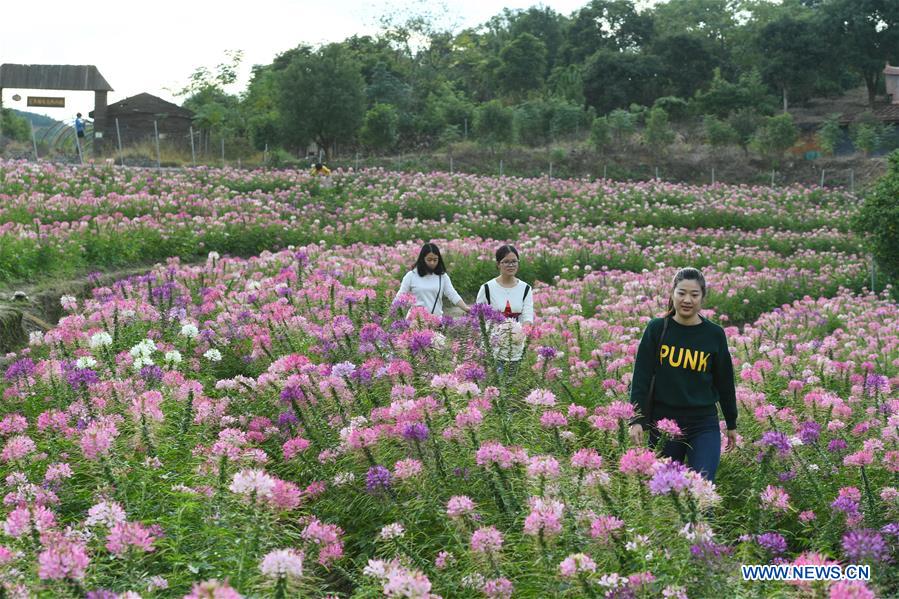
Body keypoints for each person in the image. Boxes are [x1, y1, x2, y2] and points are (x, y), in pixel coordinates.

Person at [628, 267, 738, 482]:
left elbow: (725, 382)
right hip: (664, 423)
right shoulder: (657, 329)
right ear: (672, 294)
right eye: (682, 293)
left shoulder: (714, 334)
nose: (687, 300)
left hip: (703, 423)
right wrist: (637, 419)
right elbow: (641, 377)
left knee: (703, 485)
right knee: (664, 488)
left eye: (694, 294)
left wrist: (731, 423)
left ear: (702, 297)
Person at [475, 245, 534, 368]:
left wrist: (522, 334)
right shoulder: (487, 288)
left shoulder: (525, 288)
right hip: (492, 348)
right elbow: (478, 317)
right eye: (506, 262)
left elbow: (527, 317)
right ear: (498, 264)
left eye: (514, 261)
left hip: (516, 348)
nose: (511, 265)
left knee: (513, 378)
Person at [395, 243, 470, 317]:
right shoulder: (411, 276)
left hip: (436, 320)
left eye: (435, 260)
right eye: (429, 260)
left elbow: (452, 294)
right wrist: (391, 314)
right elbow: (400, 296)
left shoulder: (442, 276)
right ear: (422, 259)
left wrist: (466, 308)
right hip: (415, 320)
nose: (432, 263)